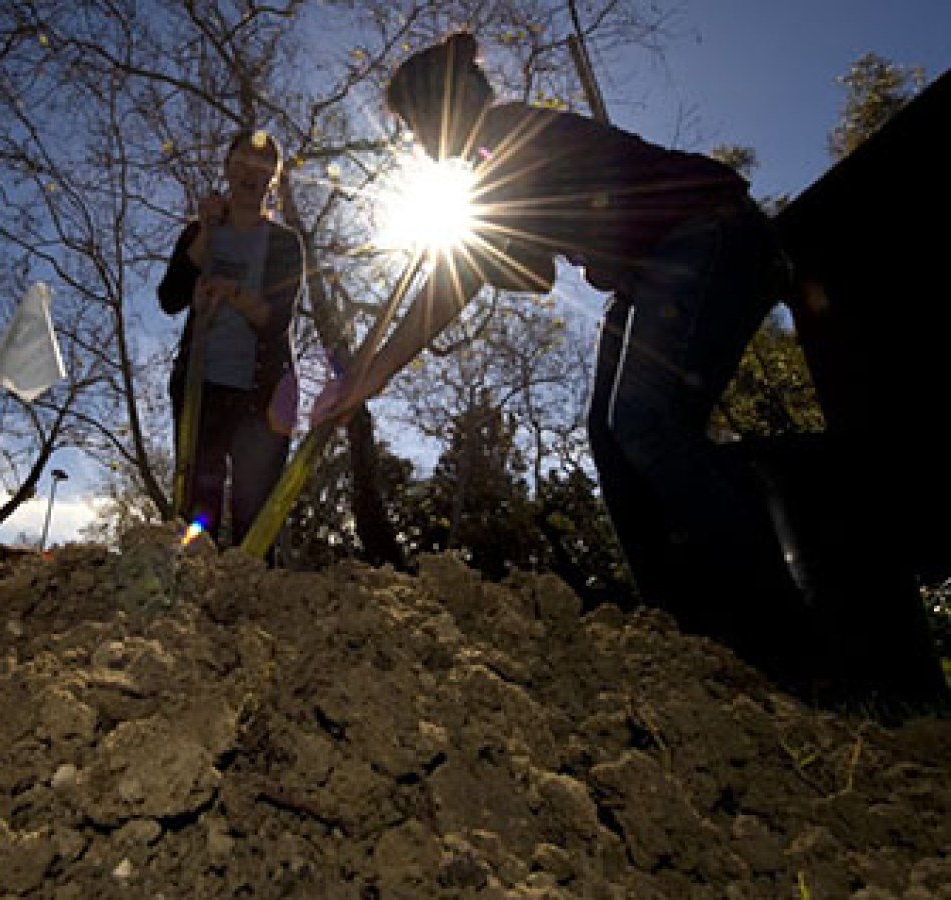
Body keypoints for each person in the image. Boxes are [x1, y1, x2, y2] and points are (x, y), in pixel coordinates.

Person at [312, 32, 813, 686]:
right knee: (612, 441)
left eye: (417, 126)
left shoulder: (510, 137)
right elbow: (531, 272)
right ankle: (692, 646)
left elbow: (458, 284)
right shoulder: (498, 163)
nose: (421, 146)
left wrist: (369, 374)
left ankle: (790, 640)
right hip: (647, 274)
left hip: (710, 231)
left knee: (646, 421)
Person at [158, 130, 305, 548]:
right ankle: (191, 603)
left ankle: (251, 604)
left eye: (262, 168)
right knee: (197, 509)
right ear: (226, 168)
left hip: (263, 397)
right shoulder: (197, 233)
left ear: (272, 181)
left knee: (254, 516)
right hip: (200, 387)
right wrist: (207, 232)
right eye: (241, 162)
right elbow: (170, 299)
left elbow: (276, 319)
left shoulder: (283, 243)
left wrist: (232, 294)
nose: (249, 173)